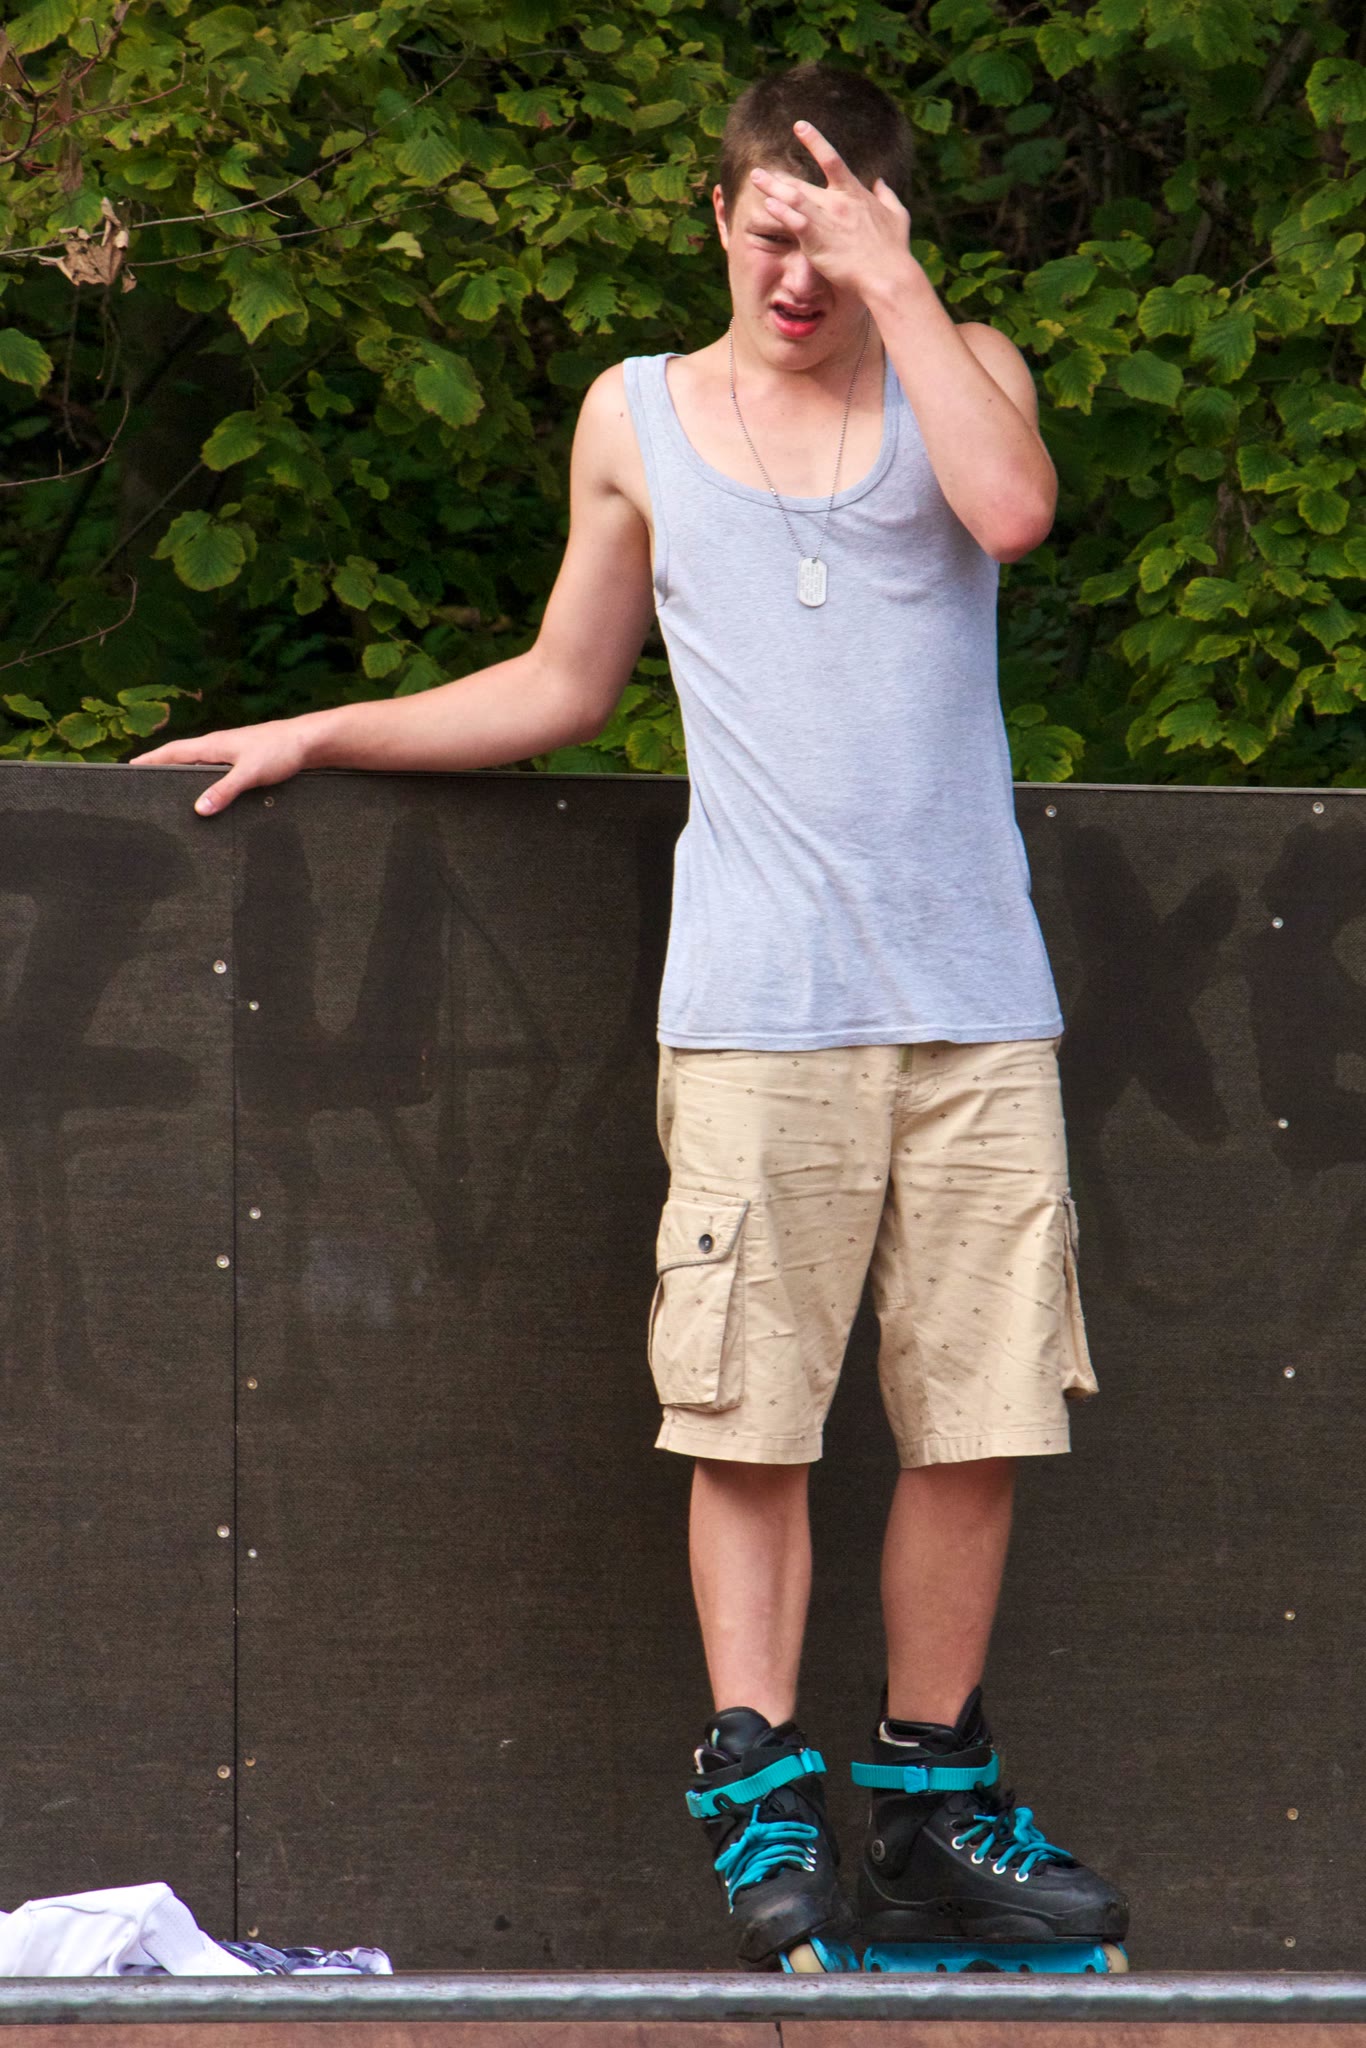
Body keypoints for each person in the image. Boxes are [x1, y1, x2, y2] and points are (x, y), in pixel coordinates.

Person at [138, 62, 1128, 1976]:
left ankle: (932, 1814)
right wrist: (319, 728)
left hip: (974, 1004)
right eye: (768, 235)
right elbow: (564, 683)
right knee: (748, 1416)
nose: (796, 278)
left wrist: (899, 285)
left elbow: (1011, 512)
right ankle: (763, 1810)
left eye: (832, 243)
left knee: (979, 1413)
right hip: (759, 1008)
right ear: (718, 216)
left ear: (887, 233)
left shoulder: (960, 364)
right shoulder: (637, 415)